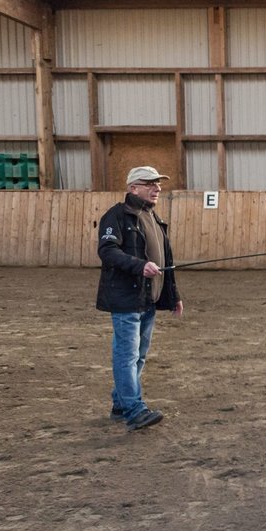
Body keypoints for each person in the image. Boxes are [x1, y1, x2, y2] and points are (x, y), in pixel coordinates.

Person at [96, 166, 184, 430]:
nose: (157, 188)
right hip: (126, 299)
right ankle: (134, 410)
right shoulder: (117, 216)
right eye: (150, 184)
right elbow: (107, 251)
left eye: (158, 184)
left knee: (139, 356)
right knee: (126, 356)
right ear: (133, 188)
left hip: (148, 299)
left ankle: (120, 404)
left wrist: (173, 295)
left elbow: (166, 262)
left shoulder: (153, 218)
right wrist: (139, 265)